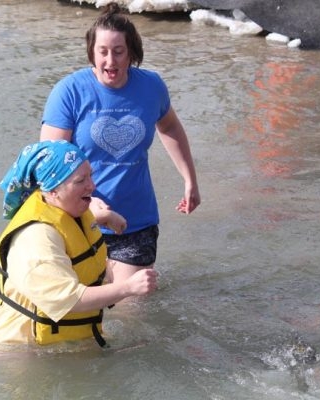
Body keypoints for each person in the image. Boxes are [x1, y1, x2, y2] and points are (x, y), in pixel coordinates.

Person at [40, 2, 201, 286]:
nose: (110, 61)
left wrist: (190, 180)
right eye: (103, 51)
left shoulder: (151, 86)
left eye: (118, 51)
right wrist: (92, 206)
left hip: (135, 221)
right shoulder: (69, 92)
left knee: (131, 314)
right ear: (92, 51)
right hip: (77, 220)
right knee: (83, 314)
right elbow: (49, 164)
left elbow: (170, 126)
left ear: (131, 54)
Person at [0, 140, 157, 347]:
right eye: (81, 180)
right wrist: (127, 287)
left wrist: (105, 215)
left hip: (66, 340)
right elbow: (69, 299)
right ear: (52, 190)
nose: (92, 185)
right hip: (25, 350)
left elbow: (68, 230)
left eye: (90, 175)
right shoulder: (36, 239)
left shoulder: (63, 208)